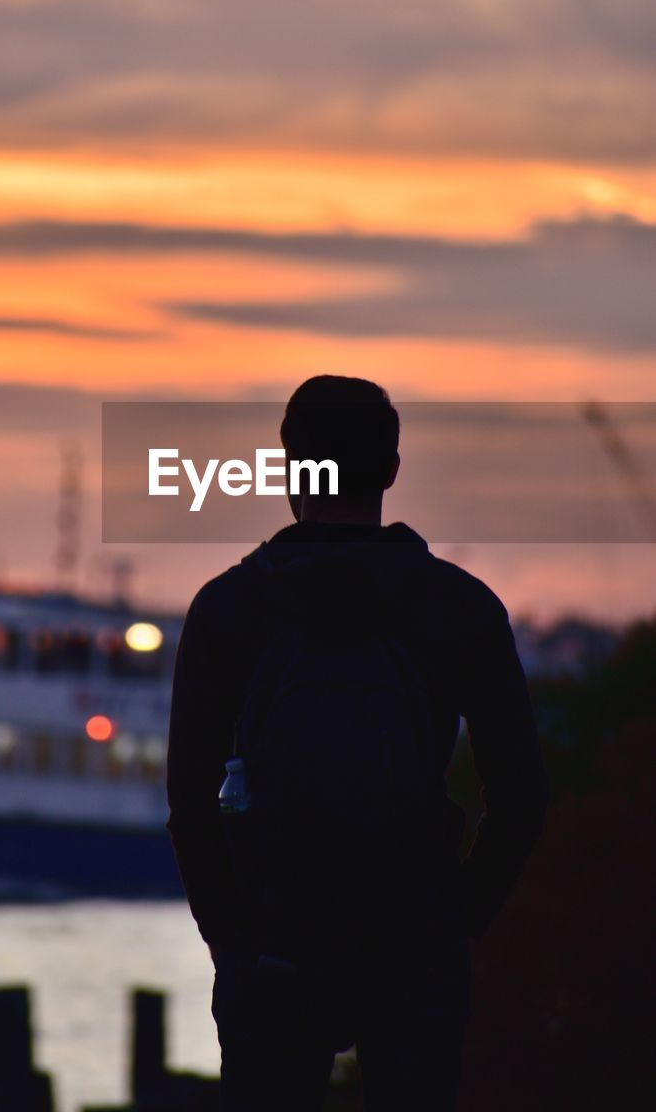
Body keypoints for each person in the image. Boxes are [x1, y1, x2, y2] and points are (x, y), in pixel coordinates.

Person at [166, 375, 549, 1111]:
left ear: (288, 469)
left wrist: (233, 942)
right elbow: (522, 798)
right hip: (412, 947)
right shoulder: (457, 607)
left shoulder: (227, 609)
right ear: (391, 471)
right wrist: (457, 919)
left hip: (273, 942)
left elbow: (188, 800)